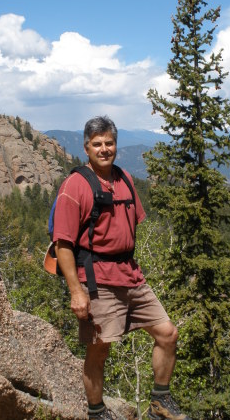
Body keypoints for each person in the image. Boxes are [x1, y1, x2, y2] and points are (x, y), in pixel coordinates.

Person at [53, 116, 191, 420]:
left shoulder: (125, 179)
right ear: (86, 147)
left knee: (167, 334)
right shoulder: (74, 186)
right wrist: (76, 291)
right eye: (98, 144)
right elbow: (63, 244)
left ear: (116, 144)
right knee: (99, 349)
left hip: (131, 275)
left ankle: (159, 402)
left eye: (109, 143)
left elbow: (131, 226)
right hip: (97, 280)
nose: (104, 149)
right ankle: (97, 412)